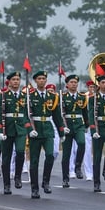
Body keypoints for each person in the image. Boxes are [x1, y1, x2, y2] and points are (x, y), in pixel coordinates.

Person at [27, 70, 64, 198]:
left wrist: (61, 132)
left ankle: (46, 181)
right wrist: (29, 130)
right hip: (35, 129)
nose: (42, 80)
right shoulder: (29, 96)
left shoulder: (52, 97)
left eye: (43, 78)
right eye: (39, 79)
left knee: (50, 155)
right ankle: (34, 188)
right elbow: (26, 115)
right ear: (35, 81)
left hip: (48, 129)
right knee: (34, 160)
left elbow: (57, 116)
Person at [0, 71, 30, 194]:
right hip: (7, 129)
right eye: (14, 80)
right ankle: (6, 184)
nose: (16, 82)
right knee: (6, 158)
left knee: (20, 152)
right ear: (9, 82)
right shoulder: (3, 95)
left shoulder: (24, 96)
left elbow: (27, 114)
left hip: (21, 129)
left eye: (18, 79)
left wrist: (29, 128)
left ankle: (17, 177)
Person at [60, 74, 88, 188]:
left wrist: (87, 125)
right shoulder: (62, 97)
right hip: (67, 125)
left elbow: (85, 113)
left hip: (78, 125)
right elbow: (59, 114)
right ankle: (65, 178)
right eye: (71, 82)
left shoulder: (81, 97)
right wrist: (61, 126)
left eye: (75, 82)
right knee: (66, 154)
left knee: (82, 143)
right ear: (67, 84)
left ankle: (78, 166)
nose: (74, 84)